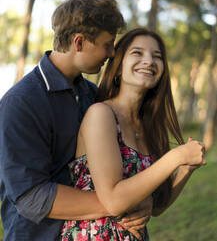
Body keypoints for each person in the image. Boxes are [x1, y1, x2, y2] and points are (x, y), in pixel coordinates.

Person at [0, 0, 149, 241]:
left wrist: (138, 200)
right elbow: (31, 197)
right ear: (79, 42)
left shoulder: (92, 95)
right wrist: (118, 204)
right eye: (107, 44)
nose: (112, 53)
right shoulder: (21, 103)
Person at [60, 28, 206, 241]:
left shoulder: (149, 127)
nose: (149, 61)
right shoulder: (101, 114)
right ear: (118, 67)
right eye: (137, 53)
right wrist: (176, 157)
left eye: (157, 57)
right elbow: (113, 201)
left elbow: (157, 206)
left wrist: (185, 168)